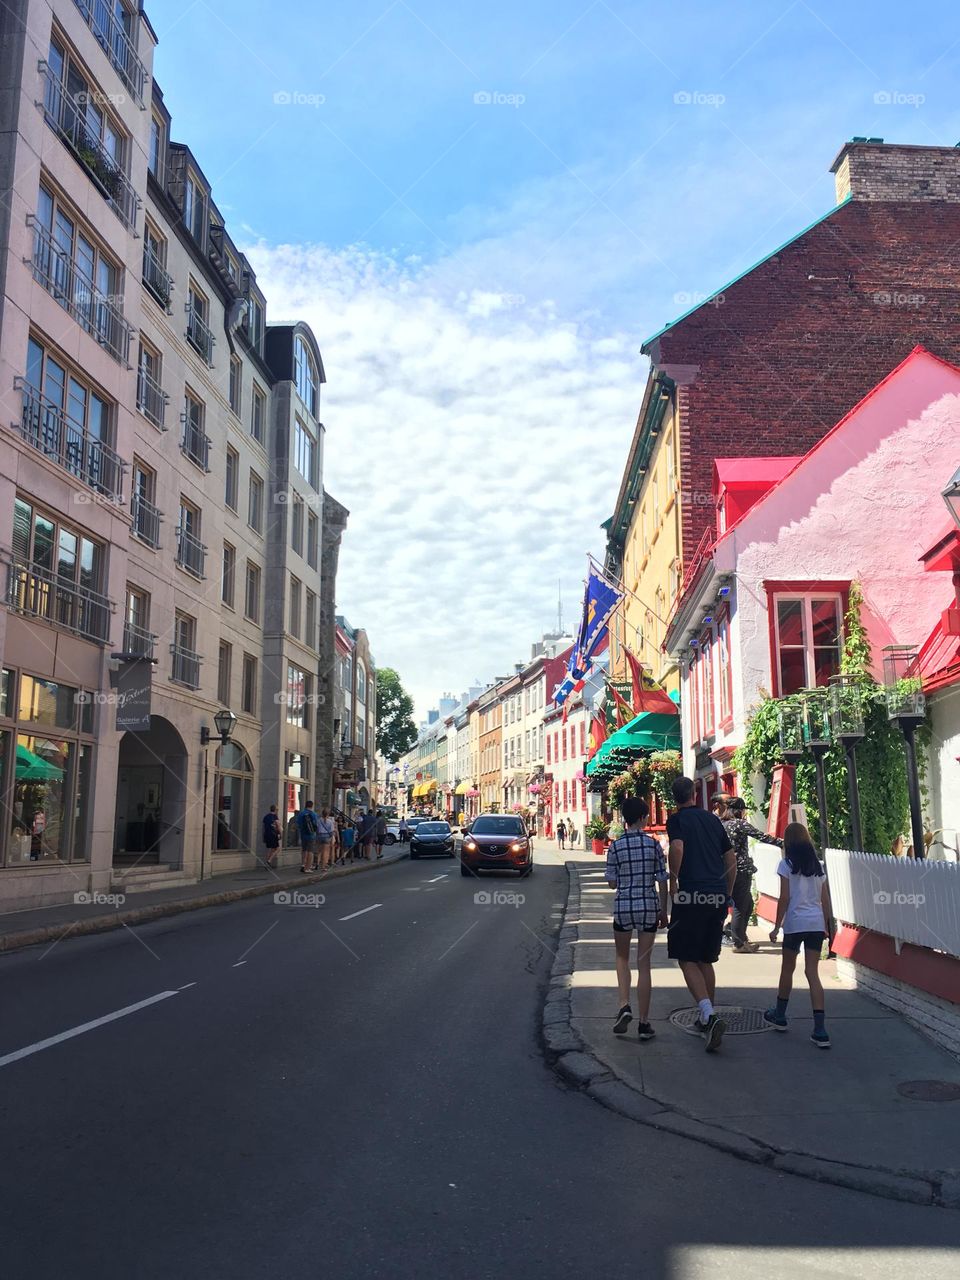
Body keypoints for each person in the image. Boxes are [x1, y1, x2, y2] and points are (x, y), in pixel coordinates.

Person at [666, 776, 736, 1053]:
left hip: (692, 892)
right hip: (716, 892)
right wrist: (727, 891)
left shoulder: (677, 821)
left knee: (685, 956)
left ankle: (708, 1014)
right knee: (706, 958)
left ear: (675, 797)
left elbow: (678, 847)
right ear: (695, 794)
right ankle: (707, 1016)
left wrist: (673, 881)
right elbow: (729, 859)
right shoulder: (713, 820)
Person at [606, 796, 669, 1041]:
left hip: (623, 907)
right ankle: (644, 1023)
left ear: (624, 818)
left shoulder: (615, 846)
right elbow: (662, 880)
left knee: (622, 958)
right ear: (642, 818)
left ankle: (624, 1005)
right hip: (648, 907)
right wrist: (663, 911)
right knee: (644, 964)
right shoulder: (653, 845)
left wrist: (623, 877)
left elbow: (611, 883)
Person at [764, 823, 833, 1047]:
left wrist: (776, 926)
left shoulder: (786, 865)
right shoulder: (819, 866)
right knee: (812, 973)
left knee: (788, 969)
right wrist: (827, 925)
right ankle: (820, 1029)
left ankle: (780, 1015)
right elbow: (825, 899)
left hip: (795, 923)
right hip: (815, 923)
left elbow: (784, 898)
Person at [723, 796, 783, 953]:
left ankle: (741, 938)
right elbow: (761, 836)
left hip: (727, 869)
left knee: (747, 903)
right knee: (740, 905)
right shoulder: (740, 824)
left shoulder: (722, 825)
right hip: (741, 869)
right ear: (739, 811)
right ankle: (739, 943)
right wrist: (783, 842)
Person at [295, 800, 319, 873]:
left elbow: (298, 824)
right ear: (312, 805)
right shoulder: (314, 814)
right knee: (310, 851)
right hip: (311, 835)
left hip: (303, 834)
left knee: (304, 850)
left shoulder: (301, 813)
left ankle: (303, 864)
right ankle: (307, 867)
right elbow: (316, 825)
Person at [314, 807, 336, 872]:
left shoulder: (318, 820)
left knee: (319, 851)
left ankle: (317, 864)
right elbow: (331, 831)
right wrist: (332, 837)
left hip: (319, 836)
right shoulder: (330, 821)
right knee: (325, 852)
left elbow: (316, 829)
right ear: (328, 814)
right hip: (326, 836)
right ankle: (323, 866)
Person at [261, 804, 281, 870]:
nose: (277, 810)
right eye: (277, 809)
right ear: (275, 810)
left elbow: (263, 827)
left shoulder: (266, 817)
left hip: (267, 834)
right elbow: (278, 826)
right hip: (273, 834)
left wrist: (263, 835)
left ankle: (267, 864)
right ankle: (269, 861)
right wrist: (280, 833)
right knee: (278, 848)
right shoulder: (275, 817)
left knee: (271, 849)